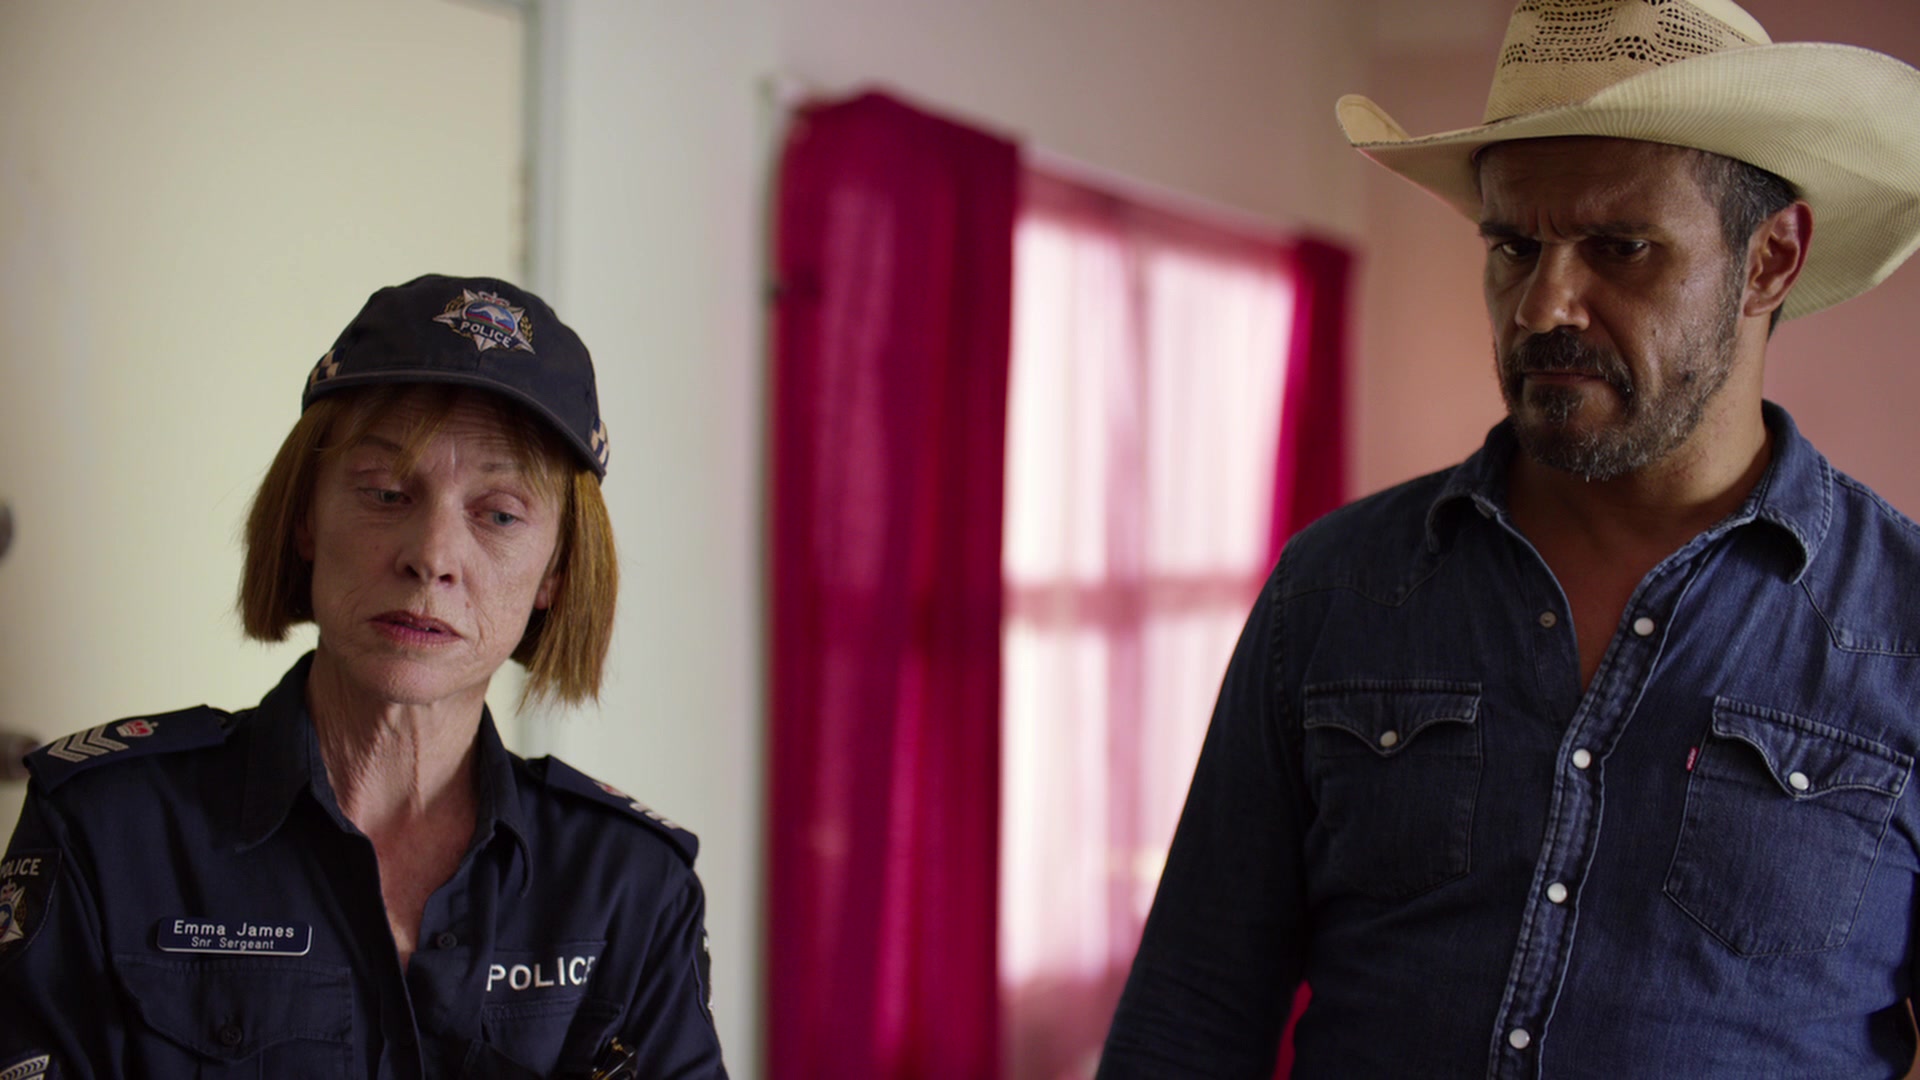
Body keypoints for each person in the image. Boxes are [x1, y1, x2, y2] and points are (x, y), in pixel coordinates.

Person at [1098, 1, 1920, 1076]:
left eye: (1620, 247)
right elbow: (1190, 1014)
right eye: (1513, 247)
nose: (1542, 306)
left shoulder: (1904, 627)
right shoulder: (1334, 589)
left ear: (1770, 260)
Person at [0, 275, 727, 1078]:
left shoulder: (631, 886)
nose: (432, 556)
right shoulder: (107, 829)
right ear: (305, 519)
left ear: (556, 571)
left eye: (499, 514)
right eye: (385, 492)